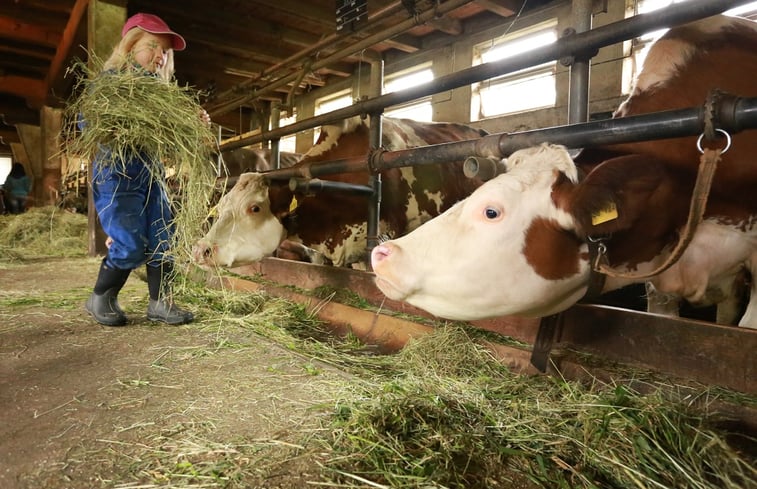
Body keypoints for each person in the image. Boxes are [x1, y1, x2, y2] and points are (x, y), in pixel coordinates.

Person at [85, 12, 209, 327]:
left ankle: (161, 303)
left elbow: (168, 140)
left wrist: (192, 125)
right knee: (128, 243)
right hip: (117, 174)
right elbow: (89, 123)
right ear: (130, 46)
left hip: (152, 174)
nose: (159, 56)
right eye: (152, 46)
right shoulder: (109, 85)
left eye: (164, 52)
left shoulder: (162, 94)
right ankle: (101, 297)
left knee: (163, 237)